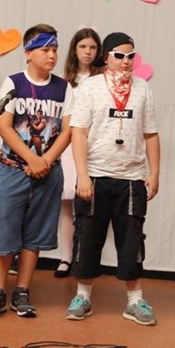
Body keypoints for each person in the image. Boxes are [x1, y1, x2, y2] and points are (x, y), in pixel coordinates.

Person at [65, 32, 160, 325]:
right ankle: (83, 296)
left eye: (131, 56)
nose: (126, 61)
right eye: (119, 55)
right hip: (95, 175)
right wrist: (82, 175)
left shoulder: (143, 89)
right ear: (106, 57)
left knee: (132, 241)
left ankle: (135, 300)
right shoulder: (90, 87)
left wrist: (154, 173)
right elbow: (78, 132)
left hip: (131, 177)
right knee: (87, 237)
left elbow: (151, 134)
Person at [0, 24, 72, 318]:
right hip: (13, 170)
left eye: (55, 50)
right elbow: (3, 125)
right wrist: (31, 159)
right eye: (45, 50)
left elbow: (68, 130)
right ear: (28, 53)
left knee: (35, 234)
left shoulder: (64, 88)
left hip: (48, 172)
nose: (52, 55)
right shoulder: (14, 83)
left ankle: (22, 291)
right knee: (5, 231)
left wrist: (45, 160)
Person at [55, 28, 101, 279]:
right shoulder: (65, 81)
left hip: (94, 145)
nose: (87, 52)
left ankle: (85, 256)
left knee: (89, 205)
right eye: (83, 46)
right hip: (68, 145)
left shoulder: (102, 80)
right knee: (66, 204)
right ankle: (66, 256)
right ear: (74, 49)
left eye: (92, 47)